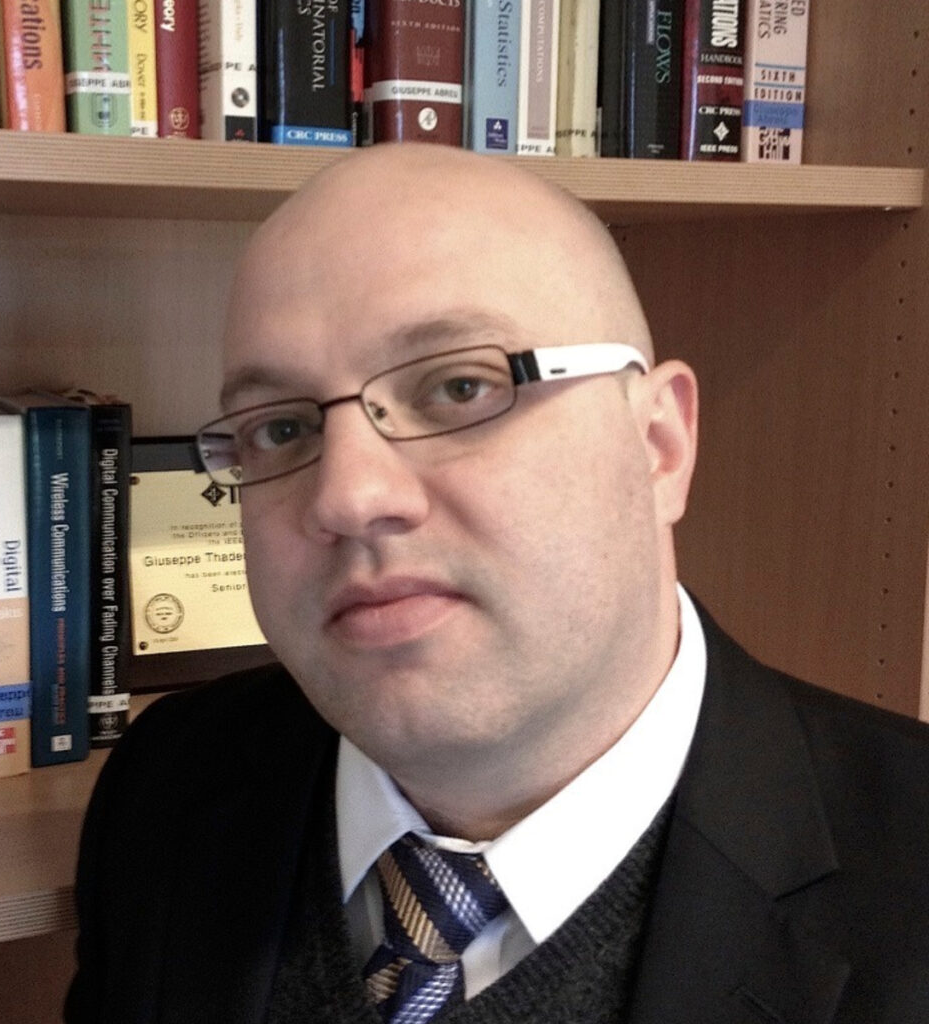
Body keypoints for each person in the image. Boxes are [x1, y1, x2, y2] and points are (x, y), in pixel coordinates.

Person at [65, 144, 929, 1024]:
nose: (350, 496)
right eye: (281, 428)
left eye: (460, 387)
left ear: (659, 447)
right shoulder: (170, 785)